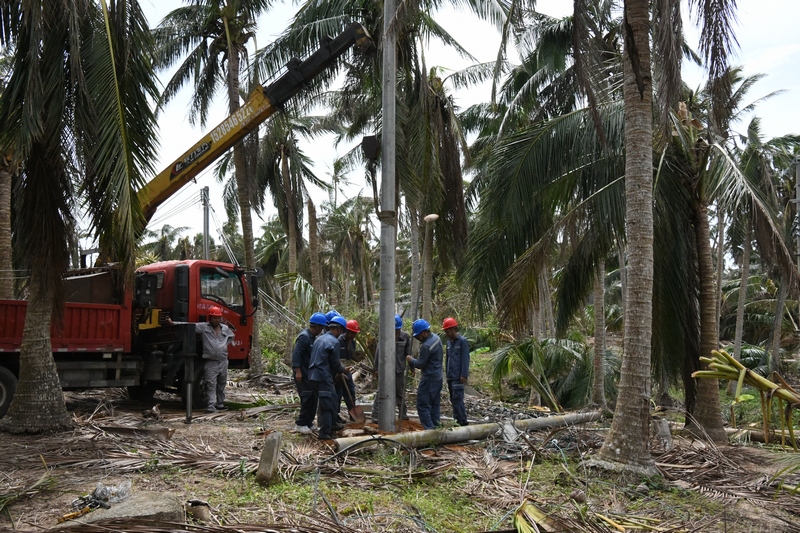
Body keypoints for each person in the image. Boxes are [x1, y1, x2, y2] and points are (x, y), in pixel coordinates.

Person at [167, 306, 235, 413]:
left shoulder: (225, 329)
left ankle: (220, 404)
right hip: (211, 362)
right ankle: (211, 407)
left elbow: (231, 336)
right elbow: (188, 325)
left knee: (221, 384)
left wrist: (224, 346)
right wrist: (173, 323)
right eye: (214, 318)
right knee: (211, 385)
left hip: (223, 361)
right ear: (210, 318)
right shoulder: (204, 327)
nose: (216, 320)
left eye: (218, 318)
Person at [308, 315, 349, 440]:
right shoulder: (334, 342)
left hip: (313, 376)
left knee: (326, 401)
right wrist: (342, 370)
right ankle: (325, 433)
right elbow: (334, 363)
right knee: (328, 404)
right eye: (341, 331)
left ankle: (329, 425)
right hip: (323, 377)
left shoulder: (319, 339)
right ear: (338, 329)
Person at [372, 314, 412, 422]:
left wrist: (411, 368)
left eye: (397, 330)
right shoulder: (384, 337)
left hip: (399, 370)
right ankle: (376, 415)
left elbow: (409, 355)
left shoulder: (405, 337)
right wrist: (376, 369)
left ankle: (402, 413)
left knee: (400, 392)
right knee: (381, 391)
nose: (395, 333)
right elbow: (378, 353)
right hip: (385, 371)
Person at [292, 312, 327, 434]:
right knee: (307, 397)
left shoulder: (312, 338)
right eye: (321, 327)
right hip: (302, 373)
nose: (322, 330)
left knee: (313, 397)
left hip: (310, 373)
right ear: (316, 326)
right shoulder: (304, 337)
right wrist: (298, 371)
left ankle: (309, 422)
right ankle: (300, 423)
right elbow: (296, 355)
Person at [406, 319, 443, 430]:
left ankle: (429, 430)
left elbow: (421, 364)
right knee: (434, 404)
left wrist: (411, 360)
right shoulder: (437, 338)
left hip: (429, 378)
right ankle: (436, 428)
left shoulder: (426, 346)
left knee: (422, 405)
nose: (417, 339)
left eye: (418, 336)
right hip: (438, 376)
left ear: (423, 333)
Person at [442, 317, 470, 426]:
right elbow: (447, 359)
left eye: (447, 331)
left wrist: (464, 374)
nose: (446, 333)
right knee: (453, 400)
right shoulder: (449, 343)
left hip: (458, 377)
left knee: (458, 400)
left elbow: (465, 359)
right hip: (450, 376)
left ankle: (462, 421)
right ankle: (456, 421)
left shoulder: (462, 342)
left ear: (453, 329)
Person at [336, 319, 360, 424]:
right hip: (338, 371)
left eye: (355, 333)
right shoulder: (338, 341)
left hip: (347, 370)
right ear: (347, 331)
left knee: (351, 391)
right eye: (352, 333)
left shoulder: (353, 343)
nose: (354, 335)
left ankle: (353, 414)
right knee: (338, 393)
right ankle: (335, 416)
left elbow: (350, 357)